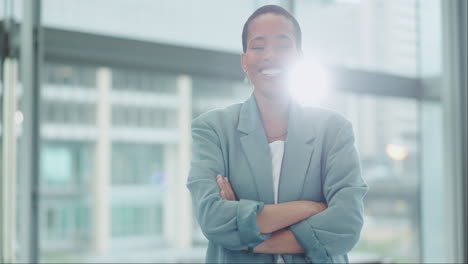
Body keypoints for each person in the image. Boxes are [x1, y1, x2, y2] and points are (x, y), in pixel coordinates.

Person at [186, 5, 368, 263]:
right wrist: (310, 208)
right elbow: (213, 220)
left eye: (283, 45)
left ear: (299, 57)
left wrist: (249, 240)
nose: (270, 55)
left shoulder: (334, 130)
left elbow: (346, 225)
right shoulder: (213, 129)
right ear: (244, 60)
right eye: (258, 46)